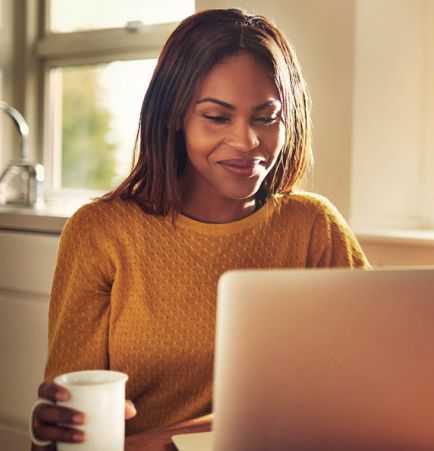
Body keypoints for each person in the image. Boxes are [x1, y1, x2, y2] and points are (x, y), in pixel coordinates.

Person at [29, 8, 369, 449]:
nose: (248, 141)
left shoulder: (314, 227)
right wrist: (54, 434)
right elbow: (67, 429)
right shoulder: (102, 232)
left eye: (266, 117)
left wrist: (166, 440)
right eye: (217, 116)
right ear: (174, 115)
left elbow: (364, 386)